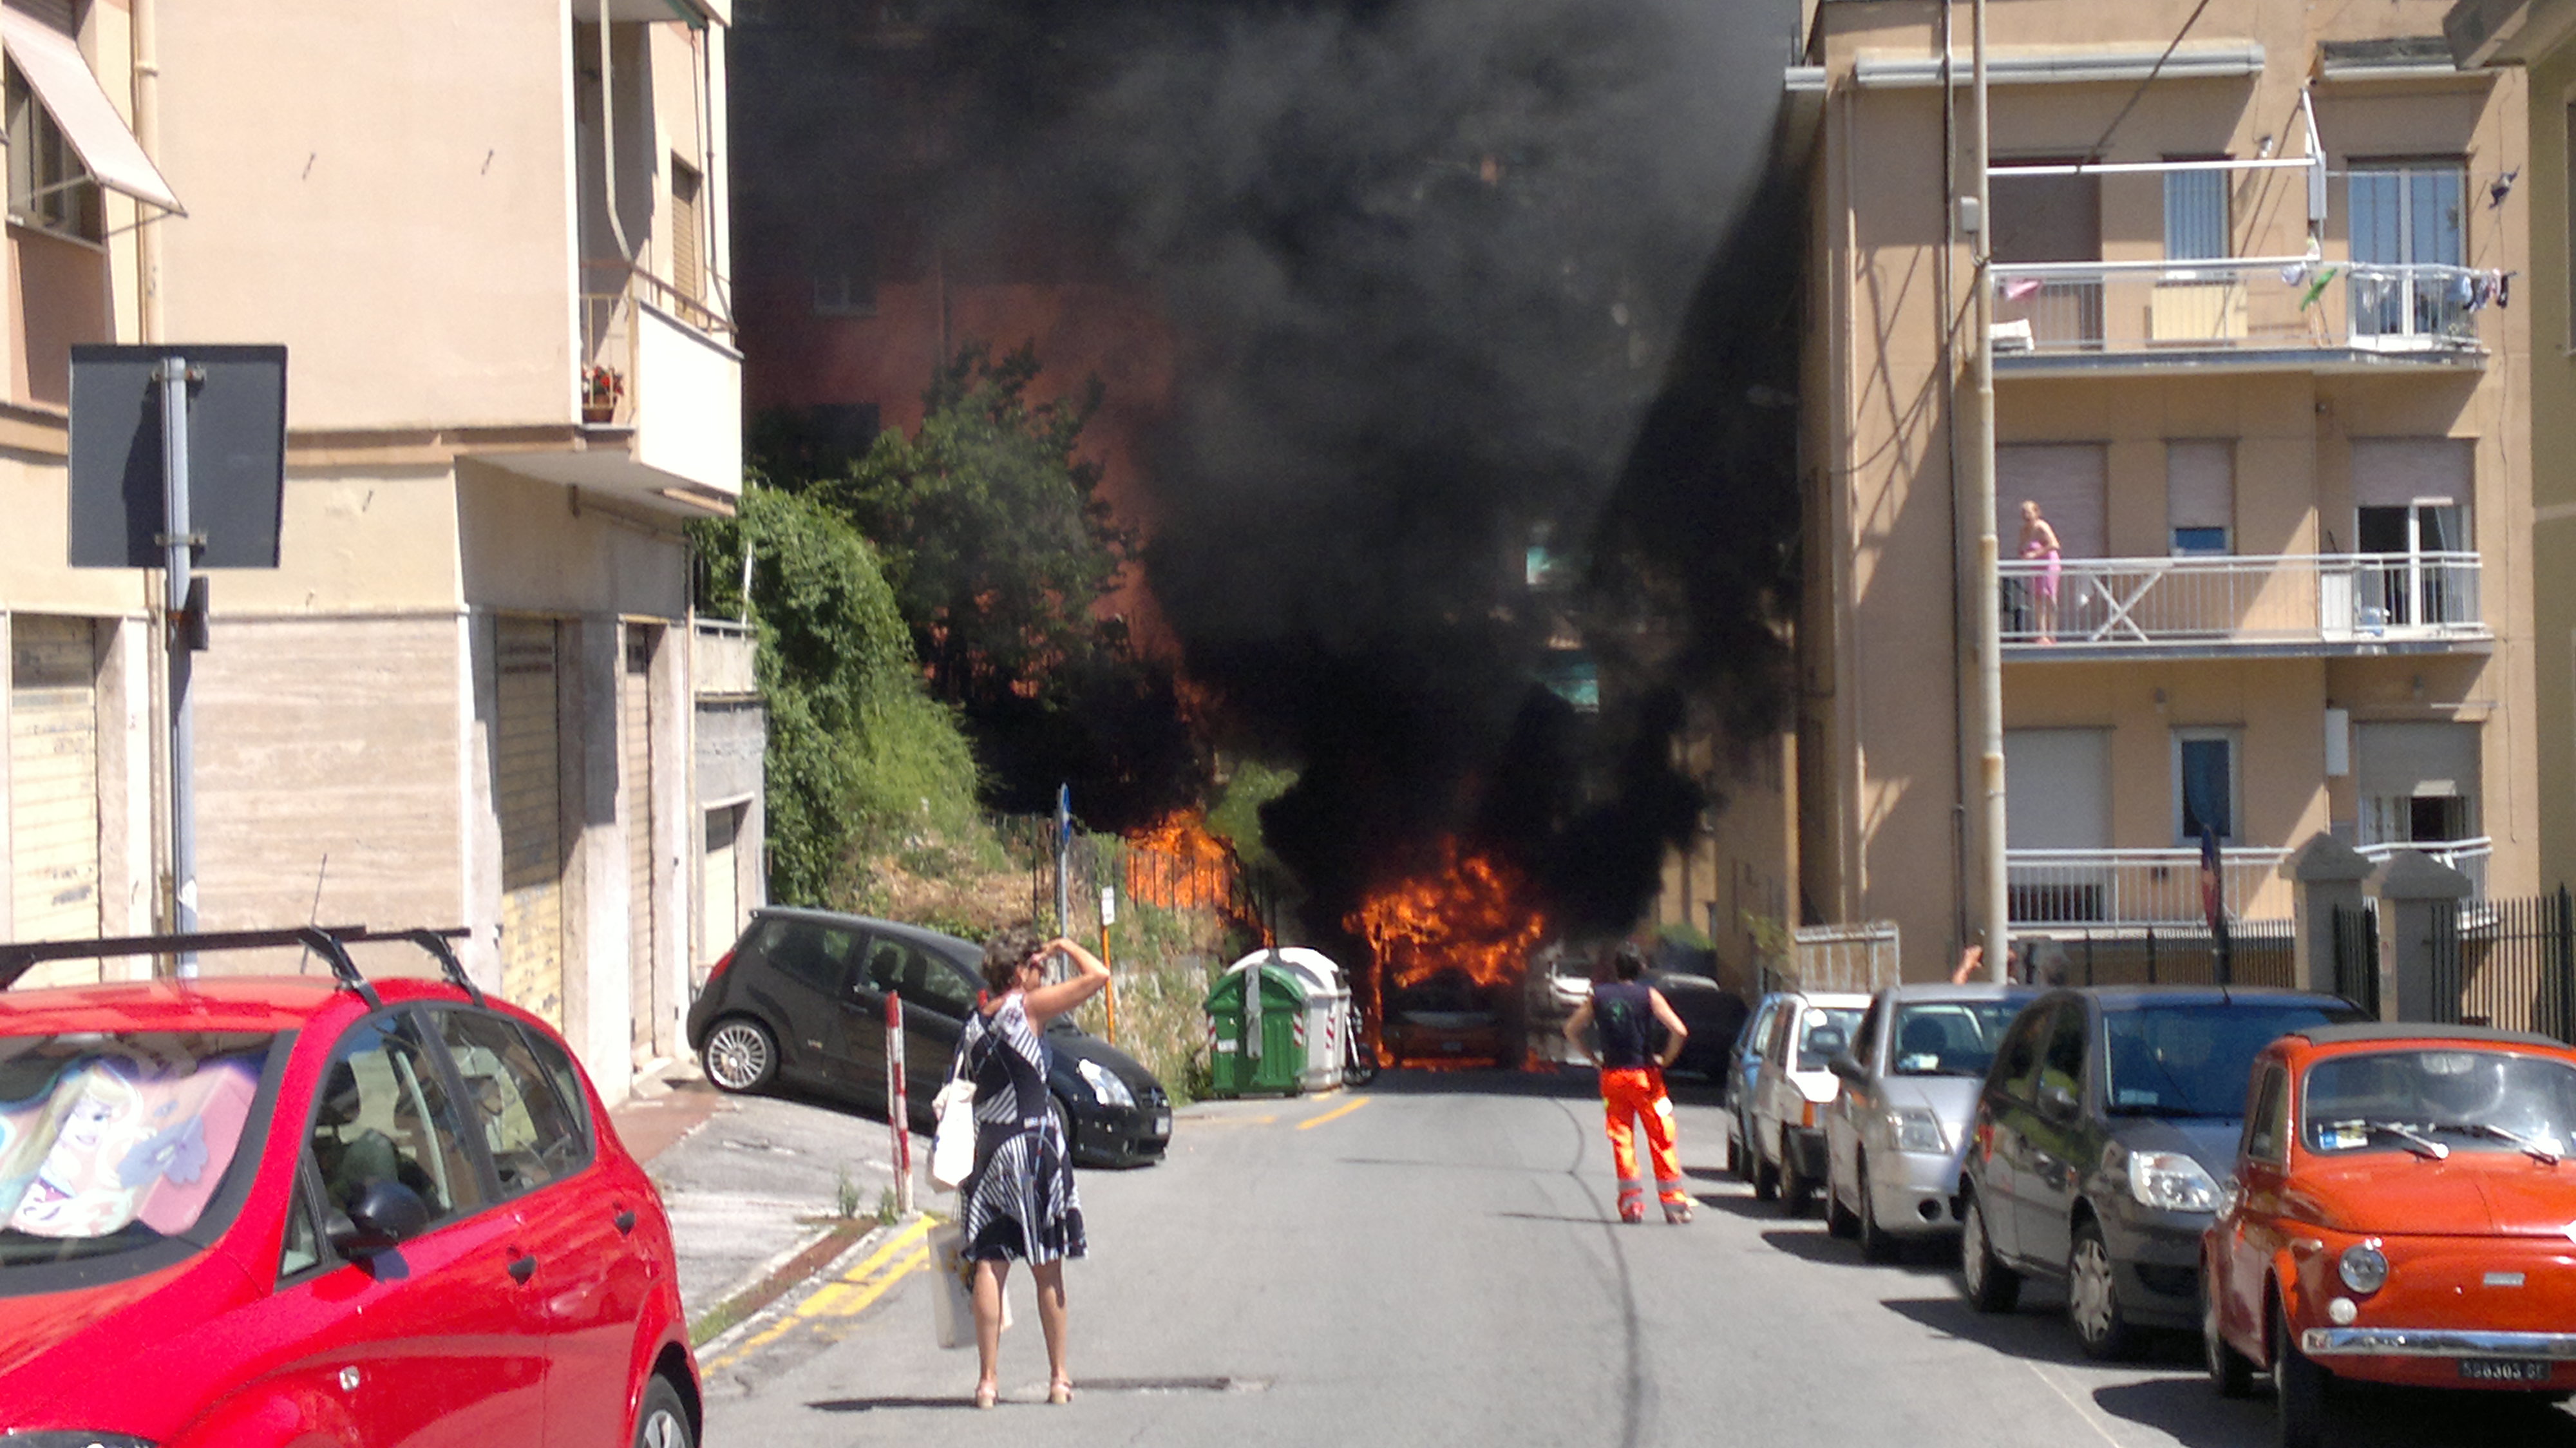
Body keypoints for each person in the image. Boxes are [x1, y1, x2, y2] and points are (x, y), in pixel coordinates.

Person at [956, 927, 1110, 1409]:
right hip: (1034, 1145)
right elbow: (1098, 975)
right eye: (1039, 966)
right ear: (1020, 972)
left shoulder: (975, 1021)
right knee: (1047, 1266)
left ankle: (987, 1382)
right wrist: (1065, 946)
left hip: (991, 1147)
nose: (1044, 975)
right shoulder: (1028, 1008)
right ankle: (1059, 1378)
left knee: (990, 1261)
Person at [1562, 942, 1693, 1224]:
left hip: (1613, 1077)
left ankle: (1631, 1205)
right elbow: (1679, 1030)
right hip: (1646, 1078)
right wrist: (1665, 1060)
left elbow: (1571, 1030)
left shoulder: (1599, 996)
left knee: (1622, 1140)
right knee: (1661, 1136)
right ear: (1642, 969)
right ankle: (1675, 1206)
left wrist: (1592, 1058)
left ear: (1615, 968)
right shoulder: (1649, 995)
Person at [2019, 499, 2063, 644]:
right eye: (2024, 512)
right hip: (2036, 567)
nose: (2026, 515)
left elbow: (2054, 544)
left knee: (2050, 598)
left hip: (2049, 564)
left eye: (2029, 512)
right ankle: (2041, 633)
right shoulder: (2025, 530)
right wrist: (2024, 554)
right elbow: (2022, 547)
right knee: (2038, 598)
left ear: (2036, 513)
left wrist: (2035, 554)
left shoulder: (2042, 527)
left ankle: (2052, 634)